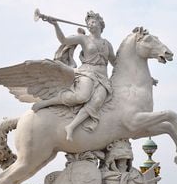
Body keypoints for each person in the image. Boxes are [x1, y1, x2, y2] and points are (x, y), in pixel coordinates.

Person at [32, 11, 116, 141]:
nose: (90, 25)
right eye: (88, 23)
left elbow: (115, 62)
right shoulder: (84, 39)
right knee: (82, 96)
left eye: (93, 22)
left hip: (103, 78)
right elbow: (64, 40)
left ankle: (71, 127)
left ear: (100, 24)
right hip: (87, 73)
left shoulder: (107, 44)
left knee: (98, 101)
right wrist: (55, 25)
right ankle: (47, 103)